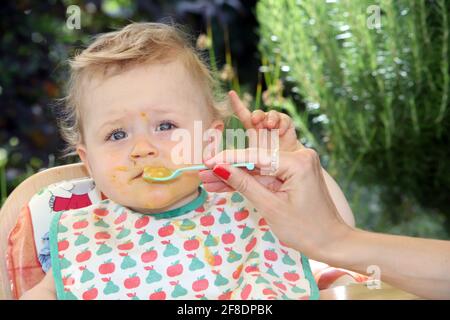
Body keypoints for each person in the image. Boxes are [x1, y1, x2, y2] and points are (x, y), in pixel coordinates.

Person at [20, 22, 355, 300]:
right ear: (89, 162)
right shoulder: (83, 235)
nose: (142, 149)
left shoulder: (252, 205)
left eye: (165, 127)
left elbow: (339, 232)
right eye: (117, 135)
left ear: (210, 141)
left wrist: (294, 160)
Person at [200, 147, 450, 299]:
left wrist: (292, 151)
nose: (157, 147)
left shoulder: (239, 198)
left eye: (167, 126)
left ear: (212, 137)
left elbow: (340, 224)